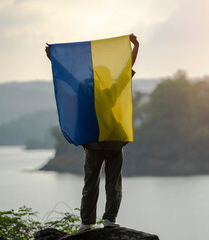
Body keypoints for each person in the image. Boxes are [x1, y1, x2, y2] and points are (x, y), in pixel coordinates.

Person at [45, 34, 139, 231]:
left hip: (94, 143)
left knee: (90, 183)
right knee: (113, 182)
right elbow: (125, 69)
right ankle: (109, 220)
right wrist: (135, 46)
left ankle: (87, 223)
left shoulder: (82, 90)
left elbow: (67, 75)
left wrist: (53, 58)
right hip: (114, 139)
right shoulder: (111, 90)